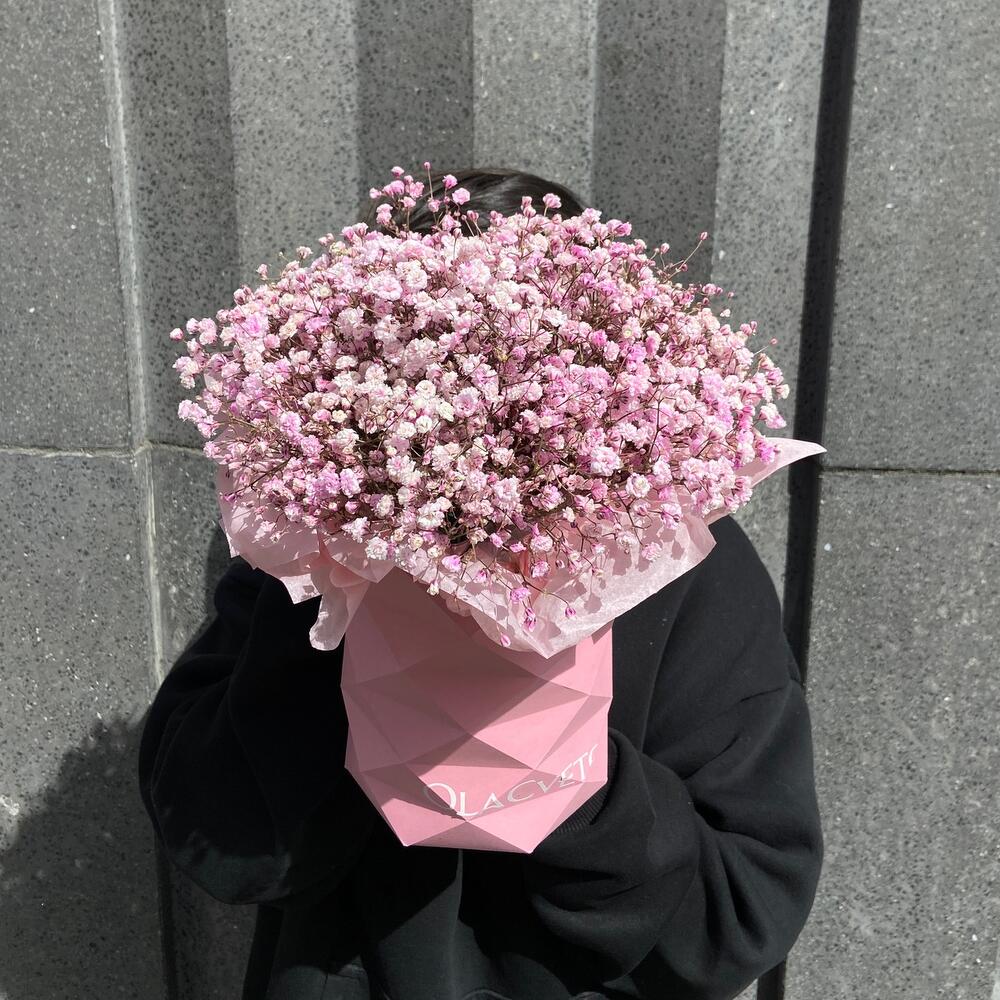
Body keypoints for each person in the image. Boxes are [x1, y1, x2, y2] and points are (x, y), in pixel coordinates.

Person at [137, 168, 824, 1000]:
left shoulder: (687, 563)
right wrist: (342, 619)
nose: (472, 375)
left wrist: (569, 777)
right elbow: (216, 835)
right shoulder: (310, 544)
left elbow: (741, 910)